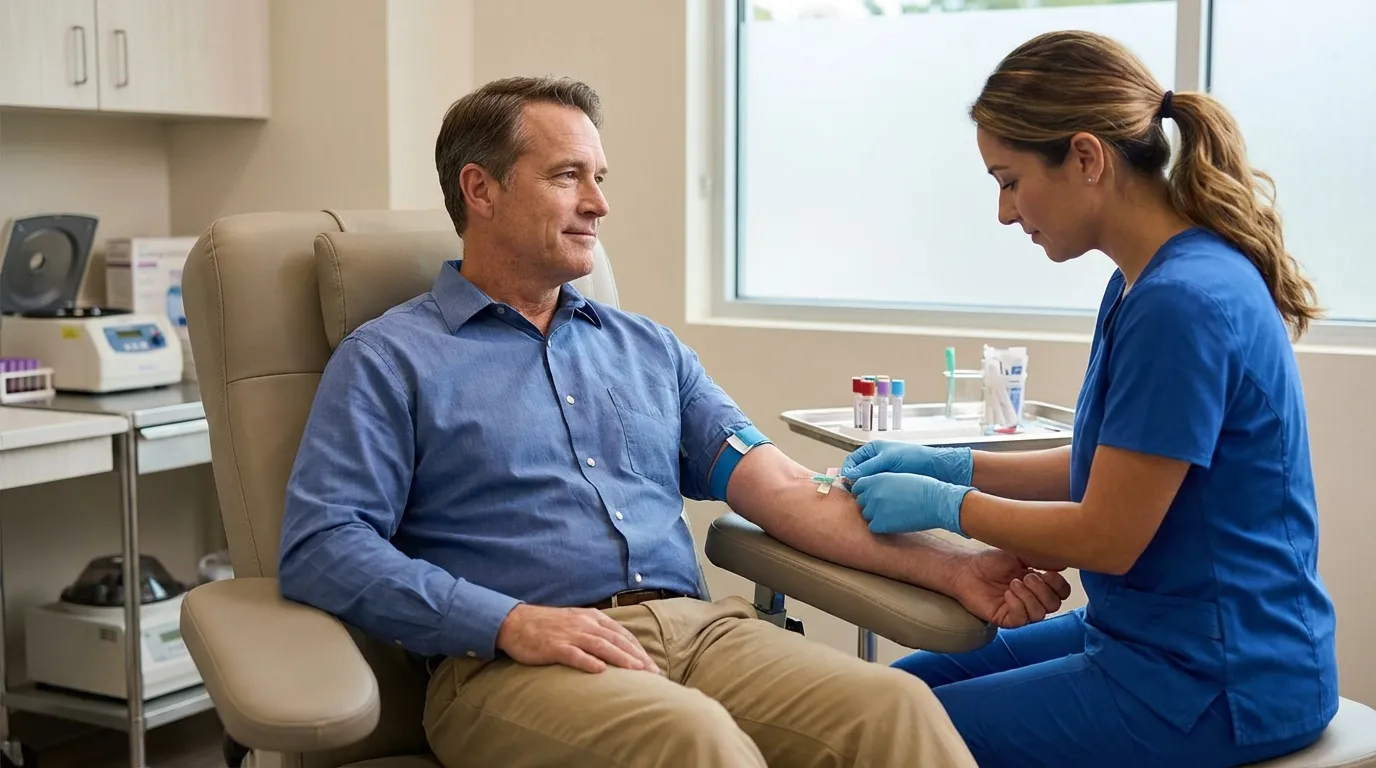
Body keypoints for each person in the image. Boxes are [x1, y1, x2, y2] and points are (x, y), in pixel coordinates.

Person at [277, 75, 1071, 768]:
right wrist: (509, 623)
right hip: (511, 666)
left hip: (702, 632)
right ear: (480, 191)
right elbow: (323, 547)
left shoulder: (647, 349)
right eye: (567, 177)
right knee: (695, 744)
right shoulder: (390, 359)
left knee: (895, 710)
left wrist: (955, 566)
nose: (599, 203)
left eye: (599, 176)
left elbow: (787, 491)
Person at [839, 30, 1338, 768]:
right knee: (895, 693)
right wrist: (951, 466)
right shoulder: (1140, 283)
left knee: (883, 735)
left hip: (1218, 676)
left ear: (1085, 157)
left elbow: (1109, 534)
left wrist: (948, 508)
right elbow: (1102, 468)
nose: (1006, 213)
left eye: (1009, 180)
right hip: (1154, 635)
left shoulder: (1183, 302)